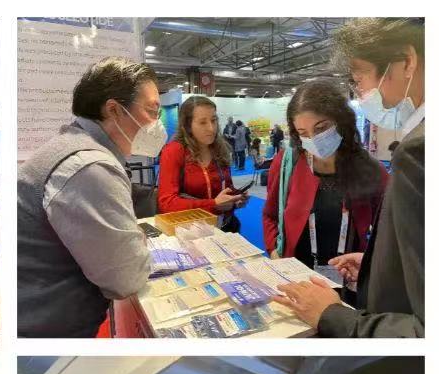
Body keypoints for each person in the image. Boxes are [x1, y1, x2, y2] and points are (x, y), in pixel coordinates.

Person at [273, 18, 424, 337]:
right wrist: (371, 265)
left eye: (359, 79)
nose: (362, 93)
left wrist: (334, 316)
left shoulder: (414, 153)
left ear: (407, 61)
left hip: (358, 313)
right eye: (303, 133)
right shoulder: (288, 164)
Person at [17, 58, 157, 337]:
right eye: (151, 111)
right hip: (50, 332)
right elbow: (126, 277)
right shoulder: (89, 168)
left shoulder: (74, 147)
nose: (157, 123)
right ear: (114, 110)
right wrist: (135, 243)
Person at [262, 79, 389, 287]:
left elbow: (390, 231)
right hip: (298, 276)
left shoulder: (371, 169)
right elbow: (270, 214)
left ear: (340, 120)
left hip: (350, 278)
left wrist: (373, 263)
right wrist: (274, 251)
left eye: (321, 128)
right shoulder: (287, 164)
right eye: (303, 133)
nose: (313, 139)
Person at [156, 96, 246, 223]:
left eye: (213, 120)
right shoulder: (174, 151)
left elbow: (226, 187)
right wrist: (213, 204)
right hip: (189, 228)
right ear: (188, 126)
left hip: (224, 226)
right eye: (203, 122)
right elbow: (167, 203)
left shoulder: (220, 149)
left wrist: (235, 198)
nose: (211, 128)